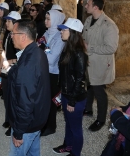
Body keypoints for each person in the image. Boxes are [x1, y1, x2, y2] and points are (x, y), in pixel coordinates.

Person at [7, 19, 50, 156]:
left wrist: (18, 132)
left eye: (13, 33)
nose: (11, 36)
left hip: (27, 125)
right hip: (36, 120)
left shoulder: (27, 64)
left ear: (23, 36)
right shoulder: (38, 52)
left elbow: (25, 102)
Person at [82, 0, 119, 132]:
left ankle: (101, 120)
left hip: (100, 64)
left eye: (88, 4)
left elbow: (111, 48)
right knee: (89, 86)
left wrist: (89, 47)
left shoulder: (109, 26)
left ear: (96, 7)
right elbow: (84, 36)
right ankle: (88, 109)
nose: (86, 6)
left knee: (99, 92)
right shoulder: (88, 20)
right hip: (89, 62)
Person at [53, 18, 88, 156]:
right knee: (68, 121)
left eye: (64, 29)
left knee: (76, 127)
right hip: (67, 94)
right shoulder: (68, 48)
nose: (61, 31)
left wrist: (72, 100)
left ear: (72, 32)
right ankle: (68, 145)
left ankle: (76, 153)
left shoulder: (79, 53)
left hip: (76, 97)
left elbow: (80, 79)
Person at [40, 10, 66, 137]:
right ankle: (44, 123)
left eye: (48, 19)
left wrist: (42, 50)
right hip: (44, 70)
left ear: (56, 20)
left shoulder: (59, 37)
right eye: (45, 18)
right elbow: (39, 47)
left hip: (53, 73)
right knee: (43, 99)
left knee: (51, 101)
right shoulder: (46, 33)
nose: (46, 21)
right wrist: (44, 51)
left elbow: (51, 60)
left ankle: (51, 126)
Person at [0, 11, 21, 137]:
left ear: (16, 23)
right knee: (6, 96)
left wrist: (11, 61)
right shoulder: (8, 34)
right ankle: (8, 119)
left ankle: (13, 124)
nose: (6, 23)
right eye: (6, 21)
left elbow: (23, 57)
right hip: (6, 69)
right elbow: (4, 52)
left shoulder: (19, 37)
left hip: (14, 71)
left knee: (13, 99)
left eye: (9, 21)